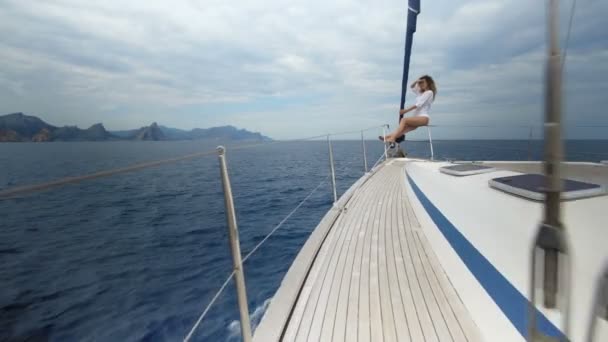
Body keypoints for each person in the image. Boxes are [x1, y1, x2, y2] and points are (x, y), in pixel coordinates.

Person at [380, 75, 436, 143]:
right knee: (403, 129)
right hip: (417, 118)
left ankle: (392, 138)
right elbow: (412, 87)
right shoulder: (421, 93)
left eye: (423, 82)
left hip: (423, 118)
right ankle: (387, 137)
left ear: (428, 83)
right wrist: (417, 81)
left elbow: (418, 105)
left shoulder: (429, 92)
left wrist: (405, 111)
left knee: (404, 120)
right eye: (420, 83)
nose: (421, 84)